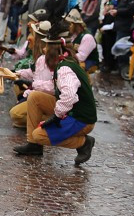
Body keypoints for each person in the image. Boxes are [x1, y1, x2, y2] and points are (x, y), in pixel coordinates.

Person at [13, 36, 97, 165]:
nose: (44, 49)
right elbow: (54, 87)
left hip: (81, 119)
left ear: (52, 51)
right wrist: (33, 84)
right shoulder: (64, 62)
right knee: (35, 97)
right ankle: (33, 146)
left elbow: (69, 96)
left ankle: (84, 143)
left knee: (39, 135)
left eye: (46, 47)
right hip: (72, 110)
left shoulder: (64, 68)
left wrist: (57, 116)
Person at [8, 20, 52, 128]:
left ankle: (51, 119)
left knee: (16, 114)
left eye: (32, 34)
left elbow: (51, 87)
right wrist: (13, 73)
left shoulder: (49, 58)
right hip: (37, 93)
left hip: (48, 98)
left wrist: (32, 84)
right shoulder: (40, 57)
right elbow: (32, 72)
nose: (28, 38)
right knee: (17, 85)